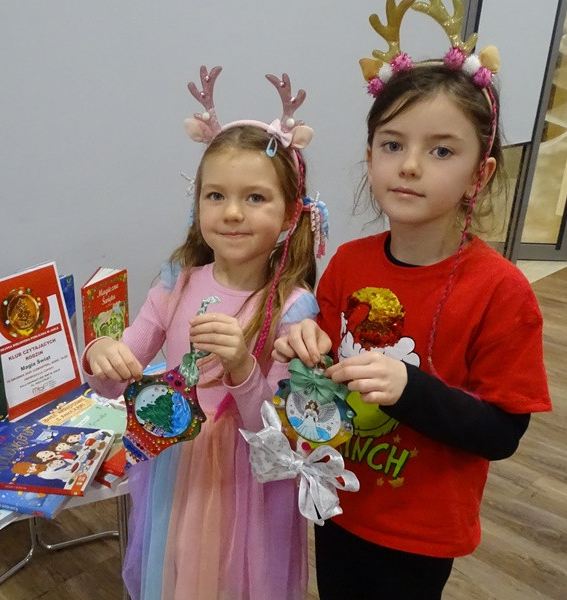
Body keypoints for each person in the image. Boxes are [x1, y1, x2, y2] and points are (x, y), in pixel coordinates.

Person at [273, 3, 552, 599]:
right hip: (338, 497)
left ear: (480, 174)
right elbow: (325, 362)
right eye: (392, 144)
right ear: (370, 156)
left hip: (421, 530)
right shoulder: (349, 262)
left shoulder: (501, 291)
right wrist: (304, 343)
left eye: (442, 150)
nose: (410, 166)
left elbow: (502, 432)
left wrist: (411, 390)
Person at [82, 66, 328, 599]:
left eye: (255, 198)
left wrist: (242, 366)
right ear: (197, 205)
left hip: (247, 484)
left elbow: (277, 432)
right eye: (215, 195)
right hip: (178, 467)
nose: (232, 212)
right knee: (178, 574)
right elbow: (116, 376)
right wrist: (100, 353)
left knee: (238, 579)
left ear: (291, 214)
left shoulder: (293, 306)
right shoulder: (176, 282)